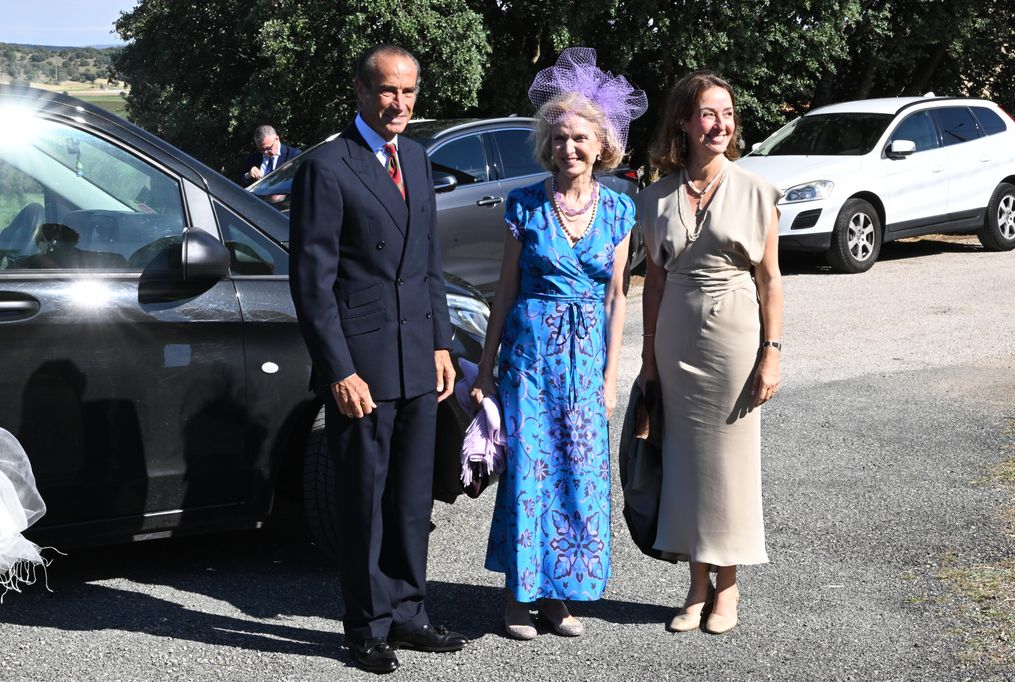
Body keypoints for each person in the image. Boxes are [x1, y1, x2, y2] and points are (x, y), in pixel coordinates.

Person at [288, 44, 465, 674]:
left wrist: (443, 342)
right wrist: (338, 369)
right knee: (364, 499)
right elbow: (312, 284)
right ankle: (365, 626)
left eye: (411, 92)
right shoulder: (327, 167)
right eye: (390, 91)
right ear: (361, 92)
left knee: (412, 498)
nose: (401, 104)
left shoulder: (416, 158)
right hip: (360, 368)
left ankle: (409, 612)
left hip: (418, 357)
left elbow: (428, 266)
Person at [470, 47, 646, 641]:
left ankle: (559, 597)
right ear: (548, 143)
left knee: (579, 476)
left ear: (602, 146)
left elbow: (619, 298)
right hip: (529, 361)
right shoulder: (525, 206)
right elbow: (503, 292)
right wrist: (486, 370)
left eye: (581, 139)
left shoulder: (621, 209)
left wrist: (610, 378)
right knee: (529, 476)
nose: (569, 149)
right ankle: (518, 596)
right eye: (560, 138)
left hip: (585, 359)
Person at [636, 71, 783, 635]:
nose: (720, 124)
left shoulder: (757, 191)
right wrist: (648, 360)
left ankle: (729, 588)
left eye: (727, 113)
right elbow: (652, 283)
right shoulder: (655, 198)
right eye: (707, 113)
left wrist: (772, 352)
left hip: (734, 340)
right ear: (683, 123)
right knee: (684, 464)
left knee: (729, 465)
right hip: (675, 341)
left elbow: (770, 279)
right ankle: (695, 586)